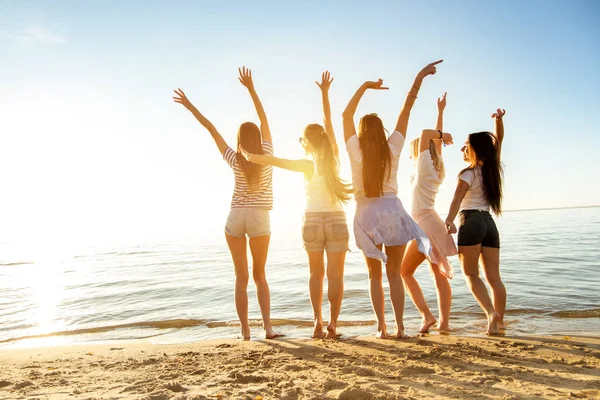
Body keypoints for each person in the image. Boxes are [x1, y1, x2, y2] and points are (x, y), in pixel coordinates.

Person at [240, 71, 352, 339]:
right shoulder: (333, 156)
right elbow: (328, 121)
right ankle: (333, 325)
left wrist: (250, 155)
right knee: (335, 276)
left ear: (306, 142)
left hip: (312, 221)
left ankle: (317, 322)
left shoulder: (306, 164)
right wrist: (325, 94)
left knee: (316, 275)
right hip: (336, 219)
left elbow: (276, 161)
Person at [173, 67, 282, 340]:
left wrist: (189, 106)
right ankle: (267, 328)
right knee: (260, 275)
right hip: (259, 217)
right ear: (257, 138)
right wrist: (251, 88)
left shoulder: (235, 158)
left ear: (239, 141)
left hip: (235, 216)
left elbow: (211, 128)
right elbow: (263, 117)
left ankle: (245, 331)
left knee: (241, 277)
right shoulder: (267, 153)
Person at [341, 60, 442, 338]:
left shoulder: (355, 150)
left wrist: (365, 87)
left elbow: (345, 114)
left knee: (375, 276)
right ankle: (399, 328)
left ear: (362, 133)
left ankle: (382, 329)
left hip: (365, 215)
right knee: (395, 274)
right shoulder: (393, 148)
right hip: (393, 212)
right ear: (381, 130)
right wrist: (419, 76)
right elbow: (406, 108)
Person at [445, 108, 507, 335]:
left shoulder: (468, 173)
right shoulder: (491, 170)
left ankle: (491, 314)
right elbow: (498, 141)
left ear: (475, 150)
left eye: (466, 145)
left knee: (471, 274)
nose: (463, 149)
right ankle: (499, 323)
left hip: (470, 220)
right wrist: (499, 122)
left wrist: (449, 221)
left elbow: (456, 199)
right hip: (489, 223)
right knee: (494, 278)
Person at [401, 92, 457, 333]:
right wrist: (441, 112)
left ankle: (427, 316)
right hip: (430, 222)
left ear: (420, 152)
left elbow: (427, 136)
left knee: (404, 272)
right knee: (438, 276)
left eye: (413, 150)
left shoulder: (423, 166)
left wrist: (442, 135)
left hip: (424, 224)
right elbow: (435, 142)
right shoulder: (435, 168)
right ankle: (442, 323)